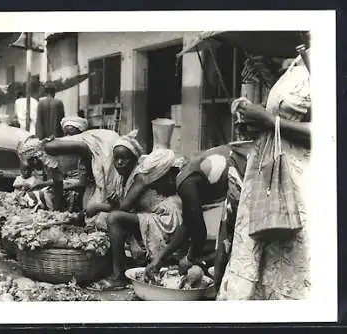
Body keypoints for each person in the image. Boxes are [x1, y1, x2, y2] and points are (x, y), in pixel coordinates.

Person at [217, 48, 311, 300]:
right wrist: (255, 120)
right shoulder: (293, 67)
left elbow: (330, 130)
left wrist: (270, 121)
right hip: (265, 173)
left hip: (295, 180)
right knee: (259, 255)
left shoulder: (320, 65)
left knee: (289, 262)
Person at [143, 119, 259, 286]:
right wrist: (160, 258)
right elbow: (188, 225)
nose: (156, 191)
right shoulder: (187, 176)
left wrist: (190, 258)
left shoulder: (184, 182)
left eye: (155, 185)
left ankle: (225, 284)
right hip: (246, 163)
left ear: (163, 176)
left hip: (246, 168)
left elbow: (199, 232)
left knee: (235, 235)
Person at [84, 132, 183, 291]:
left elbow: (123, 208)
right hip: (152, 214)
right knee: (105, 220)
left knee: (114, 219)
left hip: (163, 218)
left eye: (125, 158)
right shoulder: (124, 178)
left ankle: (118, 276)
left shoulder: (140, 177)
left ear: (135, 159)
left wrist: (97, 206)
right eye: (116, 158)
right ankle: (123, 265)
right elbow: (125, 204)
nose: (119, 162)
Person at [19, 128, 122, 213]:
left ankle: (117, 209)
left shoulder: (49, 147)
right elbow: (58, 183)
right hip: (88, 154)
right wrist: (56, 210)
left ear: (34, 158)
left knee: (108, 185)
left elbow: (82, 147)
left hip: (99, 144)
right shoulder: (47, 159)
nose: (34, 170)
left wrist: (88, 170)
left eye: (32, 166)